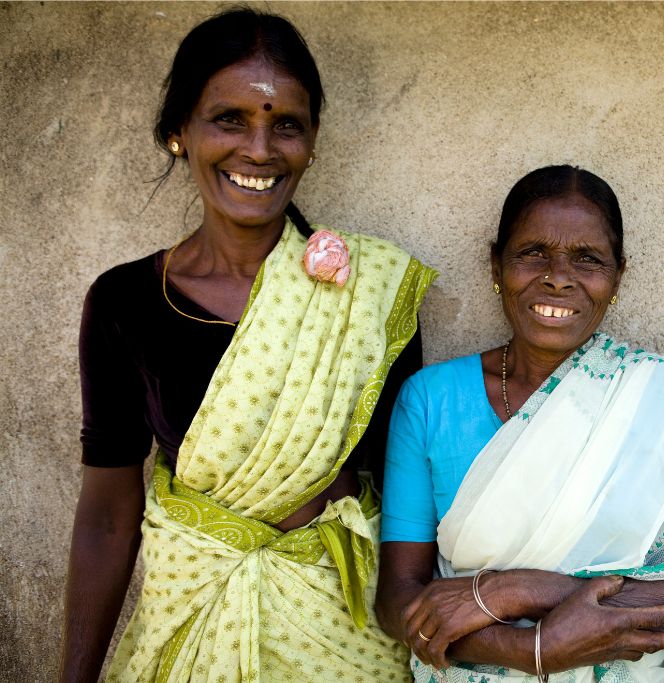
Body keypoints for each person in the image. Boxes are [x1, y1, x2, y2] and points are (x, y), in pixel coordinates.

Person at [60, 9, 435, 682]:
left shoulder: (370, 292)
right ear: (179, 132)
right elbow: (108, 518)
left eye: (285, 124)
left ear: (312, 141)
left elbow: (409, 497)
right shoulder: (125, 304)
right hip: (192, 622)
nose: (259, 148)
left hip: (341, 642)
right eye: (228, 118)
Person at [376, 165, 664, 683]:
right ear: (496, 264)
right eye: (533, 253)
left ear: (618, 277)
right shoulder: (431, 400)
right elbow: (397, 602)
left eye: (588, 259)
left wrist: (514, 590)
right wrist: (530, 651)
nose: (559, 276)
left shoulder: (663, 398)